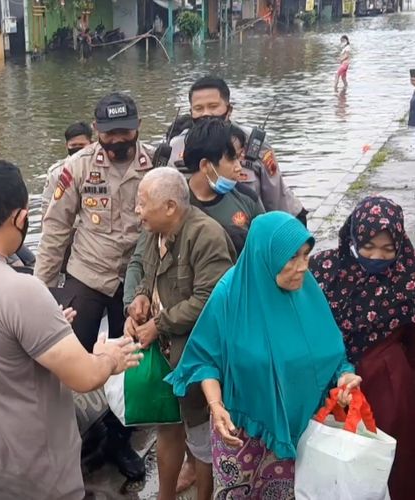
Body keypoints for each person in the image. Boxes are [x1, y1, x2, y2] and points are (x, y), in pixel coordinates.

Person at [0, 161, 142, 500]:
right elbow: (83, 376)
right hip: (37, 475)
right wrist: (107, 358)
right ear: (20, 218)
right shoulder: (22, 291)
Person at [166, 211, 361, 499]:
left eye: (306, 255)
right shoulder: (230, 295)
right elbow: (206, 358)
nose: (302, 267)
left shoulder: (308, 295)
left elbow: (332, 357)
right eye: (292, 258)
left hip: (298, 429)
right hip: (241, 432)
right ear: (264, 255)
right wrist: (216, 404)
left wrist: (344, 379)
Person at [34, 92, 154, 479]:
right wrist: (41, 294)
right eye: (109, 133)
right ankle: (70, 437)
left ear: (138, 127)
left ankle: (120, 440)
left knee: (132, 363)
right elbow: (54, 232)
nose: (117, 140)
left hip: (134, 282)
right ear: (95, 130)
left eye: (125, 132)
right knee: (68, 359)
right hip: (86, 276)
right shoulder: (76, 168)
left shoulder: (157, 164)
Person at [127, 168, 236, 500]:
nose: (137, 211)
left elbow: (208, 301)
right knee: (167, 428)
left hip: (196, 357)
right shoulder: (153, 232)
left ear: (170, 207)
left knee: (202, 438)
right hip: (164, 355)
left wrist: (158, 325)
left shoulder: (207, 236)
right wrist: (139, 299)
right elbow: (145, 271)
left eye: (143, 203)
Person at [310, 196, 415, 499]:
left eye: (387, 249)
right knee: (333, 452)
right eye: (368, 246)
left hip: (388, 383)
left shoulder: (408, 276)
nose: (377, 257)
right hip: (329, 377)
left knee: (389, 451)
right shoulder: (326, 268)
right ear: (353, 237)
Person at [168, 76, 307, 225]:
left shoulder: (254, 145)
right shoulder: (176, 147)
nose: (206, 114)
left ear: (229, 109)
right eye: (198, 108)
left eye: (213, 106)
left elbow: (276, 199)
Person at [184, 118, 265, 254]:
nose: (239, 168)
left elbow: (266, 250)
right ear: (205, 165)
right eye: (231, 159)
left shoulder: (247, 199)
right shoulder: (175, 201)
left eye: (238, 158)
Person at [40, 121, 94, 221]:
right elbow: (47, 207)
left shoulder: (100, 169)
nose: (78, 149)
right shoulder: (56, 173)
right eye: (73, 145)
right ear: (66, 146)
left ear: (91, 144)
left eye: (81, 145)